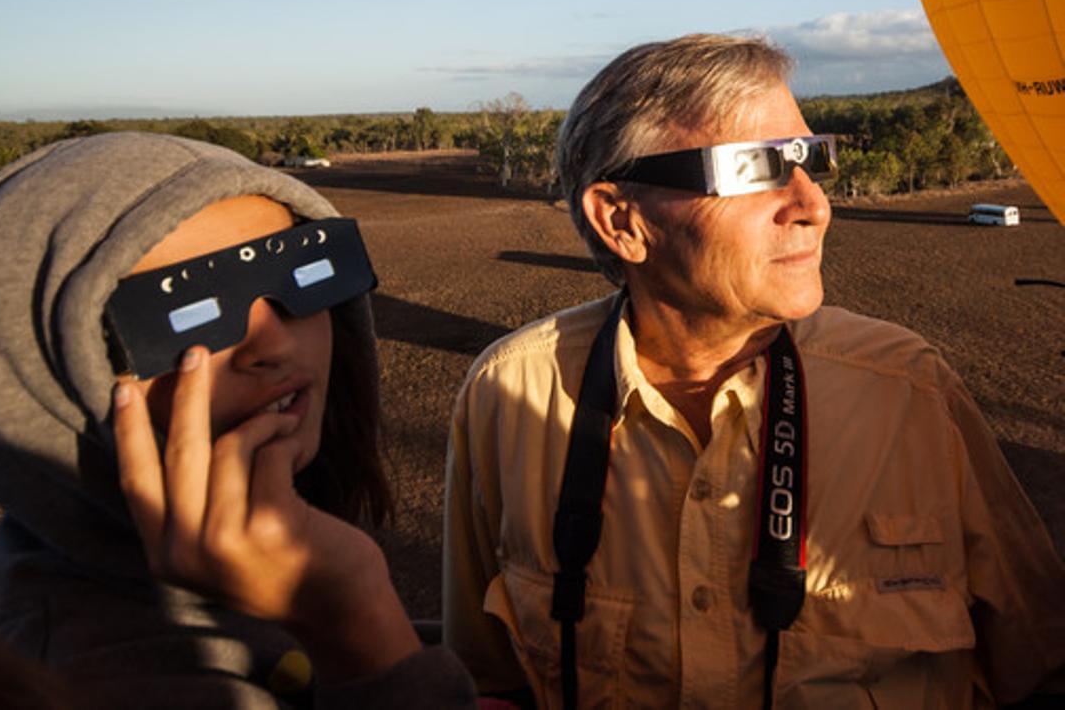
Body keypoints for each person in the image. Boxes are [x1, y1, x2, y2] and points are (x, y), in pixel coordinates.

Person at [442, 35, 1065, 708]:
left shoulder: (908, 391)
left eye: (809, 158)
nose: (814, 205)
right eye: (755, 168)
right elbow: (486, 682)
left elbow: (1042, 664)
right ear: (621, 220)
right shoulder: (508, 394)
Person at [0, 131, 475, 708]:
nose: (272, 344)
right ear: (46, 367)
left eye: (301, 278)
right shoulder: (101, 681)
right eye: (188, 317)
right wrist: (356, 618)